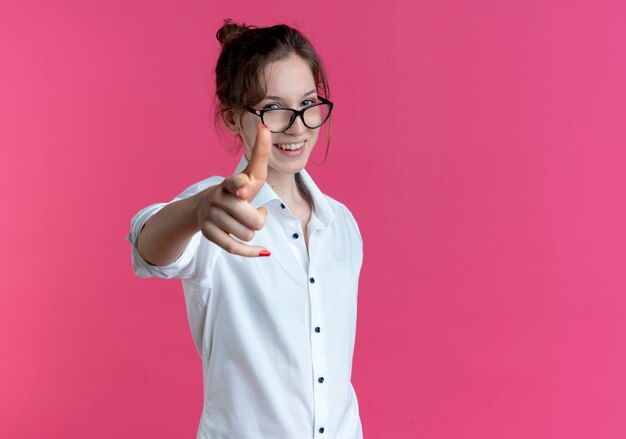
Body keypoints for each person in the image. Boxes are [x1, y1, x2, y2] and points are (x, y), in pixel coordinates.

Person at [127, 19, 363, 439]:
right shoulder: (216, 207)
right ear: (235, 119)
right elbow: (147, 250)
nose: (297, 126)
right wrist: (197, 211)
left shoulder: (342, 226)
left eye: (308, 103)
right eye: (273, 108)